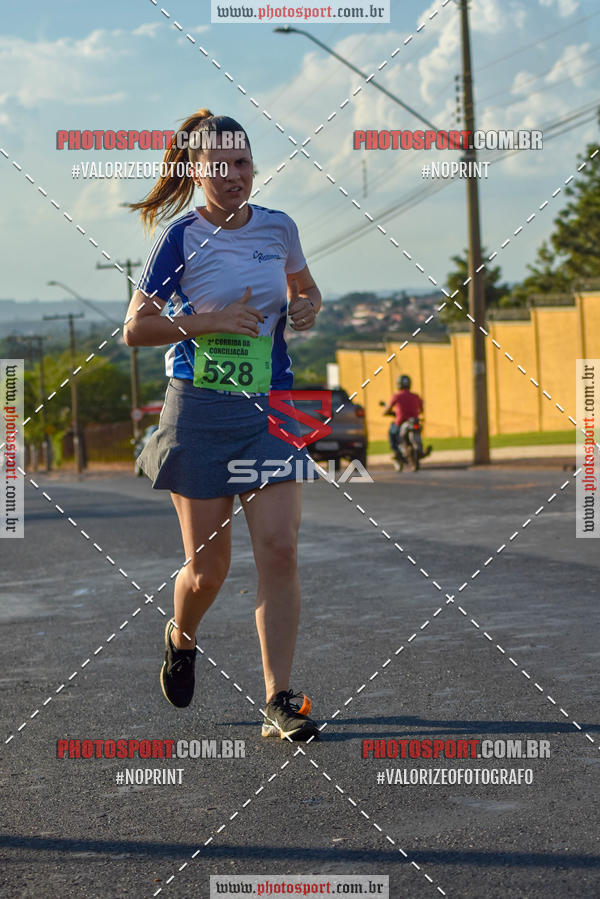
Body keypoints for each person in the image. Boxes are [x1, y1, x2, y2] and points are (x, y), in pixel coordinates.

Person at [123, 109, 322, 741]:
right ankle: (181, 637)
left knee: (281, 551)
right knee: (209, 571)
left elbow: (305, 289)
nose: (234, 176)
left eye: (243, 164)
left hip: (274, 403)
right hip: (201, 409)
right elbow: (136, 329)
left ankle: (279, 700)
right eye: (219, 166)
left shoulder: (280, 227)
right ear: (195, 170)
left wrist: (308, 307)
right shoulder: (179, 239)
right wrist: (208, 323)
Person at [383, 375, 430, 467]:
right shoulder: (415, 396)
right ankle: (419, 450)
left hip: (400, 421)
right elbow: (421, 410)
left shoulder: (396, 396)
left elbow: (386, 410)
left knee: (392, 433)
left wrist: (389, 413)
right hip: (415, 421)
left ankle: (396, 452)